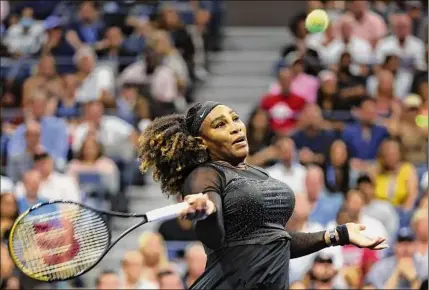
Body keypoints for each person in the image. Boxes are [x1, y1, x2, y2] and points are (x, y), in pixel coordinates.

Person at [138, 101, 388, 289]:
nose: (235, 128)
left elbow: (276, 241)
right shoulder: (205, 175)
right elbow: (214, 236)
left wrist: (338, 235)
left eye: (235, 119)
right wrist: (208, 211)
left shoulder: (260, 175)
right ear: (202, 142)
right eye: (220, 124)